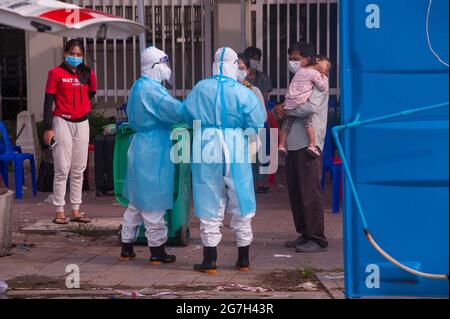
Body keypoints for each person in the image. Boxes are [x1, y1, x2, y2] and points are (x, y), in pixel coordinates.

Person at [183, 47, 266, 273]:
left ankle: (210, 260)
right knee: (241, 195)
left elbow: (186, 114)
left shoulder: (201, 88)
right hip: (235, 143)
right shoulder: (241, 92)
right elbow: (257, 120)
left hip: (206, 143)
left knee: (208, 196)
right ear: (233, 64)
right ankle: (243, 260)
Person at [119, 46, 184, 265]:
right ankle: (157, 250)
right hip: (153, 148)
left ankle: (127, 247)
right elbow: (175, 110)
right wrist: (194, 108)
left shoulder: (139, 85)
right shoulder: (152, 90)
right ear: (154, 66)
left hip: (141, 146)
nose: (167, 69)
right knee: (154, 201)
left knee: (137, 201)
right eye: (164, 64)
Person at [273, 43, 330, 253]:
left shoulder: (319, 78)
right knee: (296, 192)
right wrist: (286, 107)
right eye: (291, 58)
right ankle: (304, 233)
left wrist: (285, 109)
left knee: (310, 192)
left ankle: (317, 238)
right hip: (293, 143)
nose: (292, 62)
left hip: (309, 144)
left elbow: (310, 107)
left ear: (308, 59)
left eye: (296, 58)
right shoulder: (299, 79)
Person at [43, 39, 97, 225]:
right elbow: (48, 101)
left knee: (79, 168)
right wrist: (48, 128)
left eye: (78, 54)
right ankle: (59, 210)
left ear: (82, 56)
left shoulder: (88, 74)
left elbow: (91, 93)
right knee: (62, 167)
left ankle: (75, 209)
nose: (75, 57)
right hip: (61, 122)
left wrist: (80, 106)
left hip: (82, 123)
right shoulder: (55, 73)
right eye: (72, 53)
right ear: (65, 53)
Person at [278, 55, 330, 157]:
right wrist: (324, 77)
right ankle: (312, 144)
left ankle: (281, 145)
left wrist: (287, 110)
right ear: (317, 60)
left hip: (289, 103)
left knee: (286, 123)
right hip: (300, 103)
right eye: (327, 65)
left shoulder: (300, 72)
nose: (327, 69)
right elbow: (322, 88)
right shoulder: (315, 73)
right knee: (308, 122)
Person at [243, 46, 274, 193]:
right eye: (252, 58)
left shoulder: (264, 78)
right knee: (248, 151)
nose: (255, 61)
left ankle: (262, 182)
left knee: (262, 150)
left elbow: (265, 100)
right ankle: (249, 181)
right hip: (244, 120)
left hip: (260, 118)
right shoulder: (239, 79)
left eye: (257, 59)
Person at [237, 53, 268, 189]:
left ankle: (258, 184)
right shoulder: (220, 91)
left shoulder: (254, 91)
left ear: (248, 70)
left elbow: (263, 116)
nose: (238, 71)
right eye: (235, 68)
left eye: (242, 68)